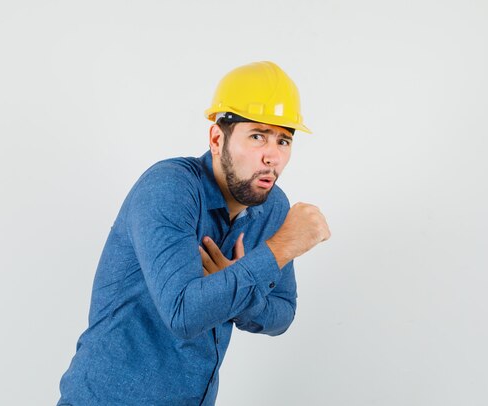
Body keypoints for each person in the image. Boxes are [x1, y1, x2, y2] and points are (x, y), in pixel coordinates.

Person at [57, 61, 330, 405]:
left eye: (284, 140)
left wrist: (236, 285)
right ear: (217, 138)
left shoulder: (273, 208)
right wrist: (277, 250)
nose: (272, 156)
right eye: (258, 136)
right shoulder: (169, 188)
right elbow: (184, 314)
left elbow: (282, 314)